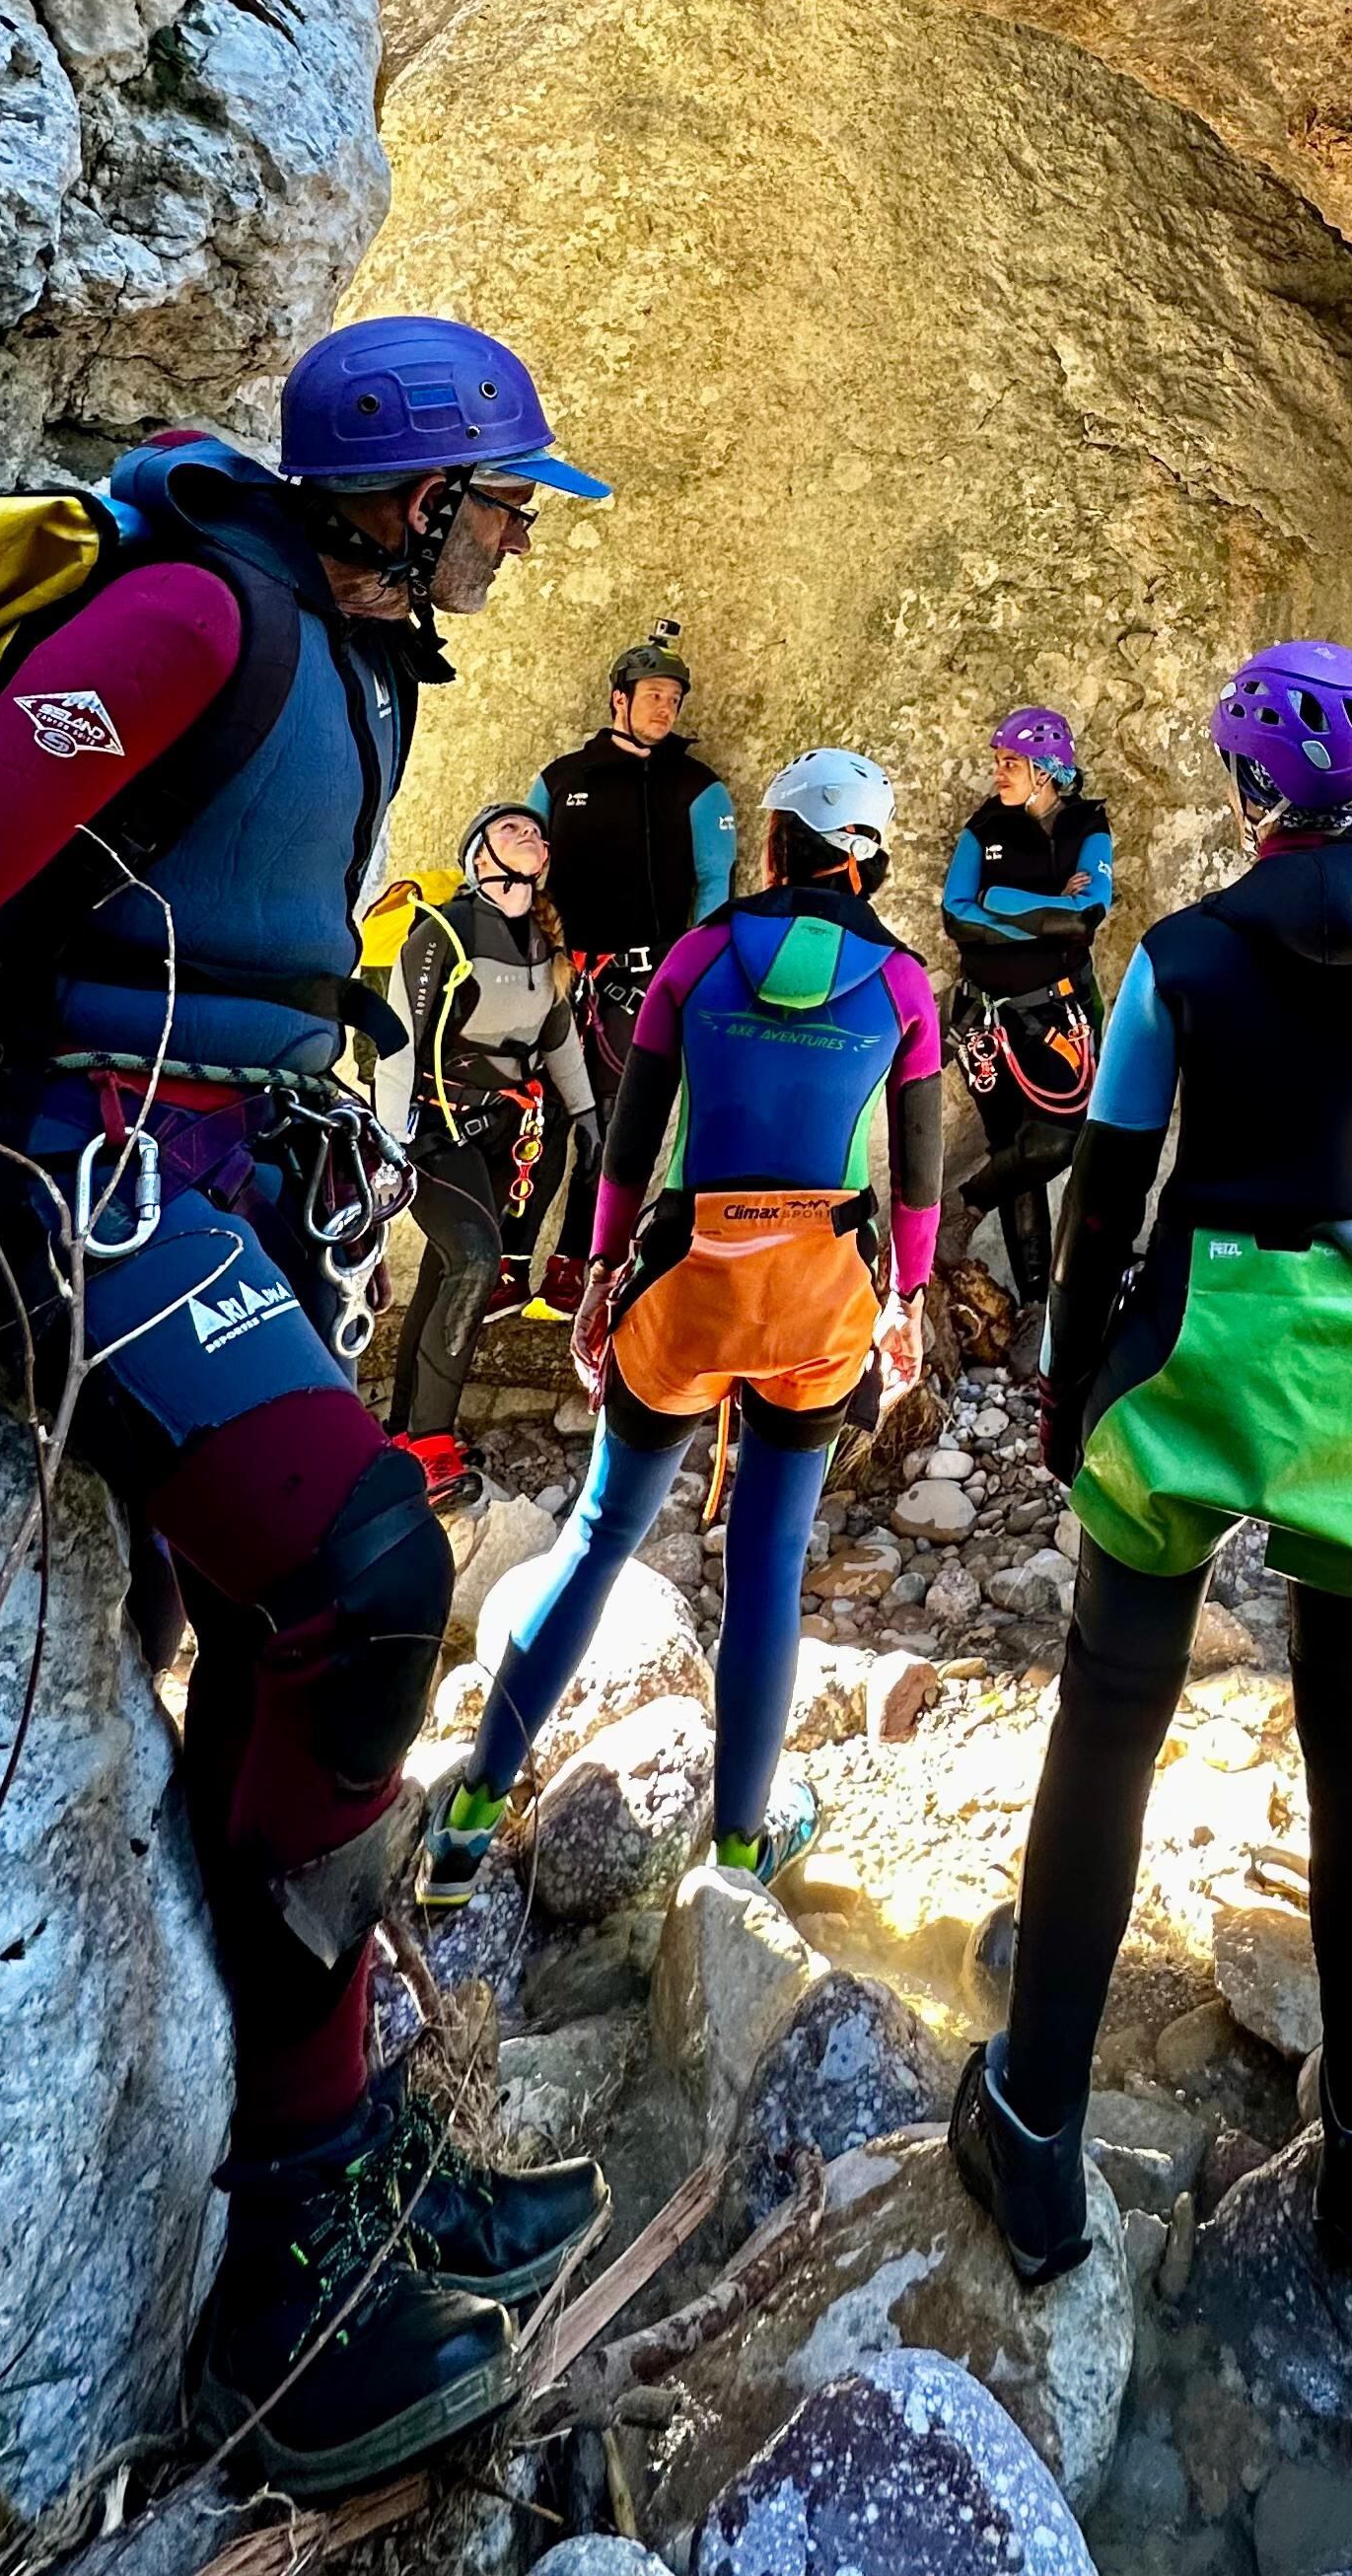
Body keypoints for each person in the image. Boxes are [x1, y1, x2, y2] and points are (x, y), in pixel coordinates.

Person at [0, 316, 615, 2494]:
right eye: (501, 496)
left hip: (217, 1170)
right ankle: (284, 2298)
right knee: (368, 1575)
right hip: (87, 1158)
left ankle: (343, 2165)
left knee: (293, 1631)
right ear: (412, 497)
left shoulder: (349, 652)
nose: (518, 534)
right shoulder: (192, 615)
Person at [952, 643, 1352, 2289]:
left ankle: (1038, 2138)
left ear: (1247, 791)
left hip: (1180, 1355)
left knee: (1106, 1729)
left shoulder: (1181, 955)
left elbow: (1104, 1203)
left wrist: (1069, 1397)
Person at [417, 748, 942, 1910]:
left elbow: (628, 1133)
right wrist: (903, 1297)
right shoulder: (904, 984)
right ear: (866, 858)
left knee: (602, 1532)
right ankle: (743, 1850)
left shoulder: (700, 958)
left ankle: (465, 1823)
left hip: (688, 1284)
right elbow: (917, 1179)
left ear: (771, 847)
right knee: (769, 1561)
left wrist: (602, 1271)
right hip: (820, 1300)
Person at [372, 803, 600, 1506]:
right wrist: (389, 1144)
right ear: (478, 858)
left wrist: (587, 1113)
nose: (529, 836)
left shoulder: (541, 939)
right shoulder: (441, 930)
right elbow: (398, 1043)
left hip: (504, 1134)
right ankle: (433, 1445)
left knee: (453, 1266)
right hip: (436, 1129)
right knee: (474, 1260)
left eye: (535, 831)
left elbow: (559, 1034)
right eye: (510, 830)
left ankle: (405, 1434)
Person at [530, 629, 737, 1236]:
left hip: (642, 982)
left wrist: (688, 978)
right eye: (653, 694)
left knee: (614, 1123)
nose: (665, 708)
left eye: (674, 698)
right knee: (544, 1113)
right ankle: (515, 1262)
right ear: (618, 699)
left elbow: (712, 884)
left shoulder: (697, 787)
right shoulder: (562, 779)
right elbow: (524, 868)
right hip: (560, 972)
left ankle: (576, 1259)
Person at [940, 705, 1112, 1310]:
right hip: (986, 1017)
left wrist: (1000, 900)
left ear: (1045, 770)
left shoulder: (1088, 827)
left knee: (1055, 1144)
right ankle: (1037, 1302)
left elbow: (1085, 916)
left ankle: (966, 1203)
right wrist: (1041, 910)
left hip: (1060, 1016)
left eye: (1010, 763)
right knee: (1010, 1146)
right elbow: (958, 916)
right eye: (998, 763)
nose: (999, 774)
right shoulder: (983, 827)